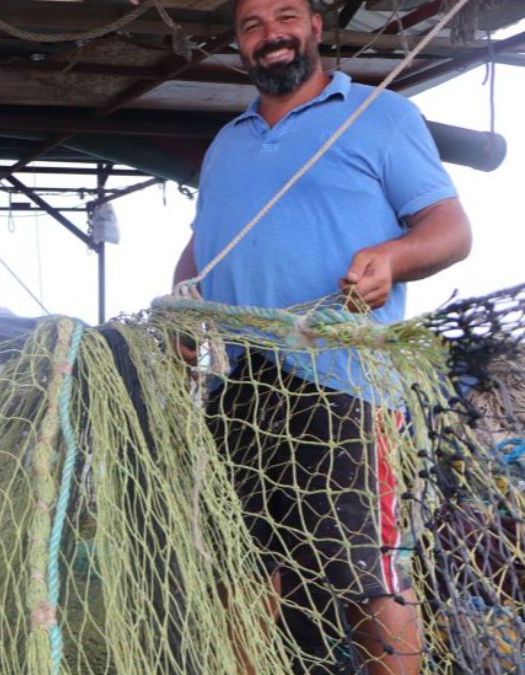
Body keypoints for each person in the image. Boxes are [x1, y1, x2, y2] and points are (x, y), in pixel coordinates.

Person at [171, 0, 472, 673]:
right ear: (240, 46)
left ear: (313, 28)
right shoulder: (228, 143)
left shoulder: (381, 116)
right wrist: (183, 309)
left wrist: (392, 258)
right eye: (251, 25)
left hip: (343, 388)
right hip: (240, 390)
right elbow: (201, 254)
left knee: (365, 575)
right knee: (241, 573)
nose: (270, 35)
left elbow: (450, 230)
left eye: (284, 16)